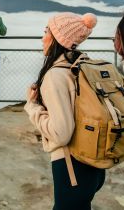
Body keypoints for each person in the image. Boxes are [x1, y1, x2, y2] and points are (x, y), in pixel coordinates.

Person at [24, 12, 105, 210]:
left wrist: (33, 107)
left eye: (46, 31)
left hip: (71, 167)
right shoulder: (81, 66)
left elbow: (61, 133)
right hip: (93, 163)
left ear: (58, 38)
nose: (43, 37)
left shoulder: (55, 76)